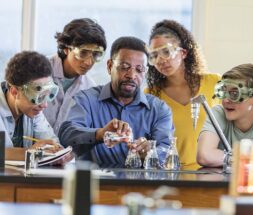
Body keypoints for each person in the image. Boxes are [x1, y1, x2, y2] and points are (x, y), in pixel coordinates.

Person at [59, 36, 174, 166]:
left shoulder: (159, 109)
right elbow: (66, 135)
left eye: (139, 69)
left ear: (145, 72)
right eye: (124, 67)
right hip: (95, 183)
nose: (131, 75)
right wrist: (100, 134)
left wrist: (150, 152)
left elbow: (167, 149)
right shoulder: (86, 100)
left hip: (142, 185)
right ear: (109, 66)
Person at [146, 20, 220, 169]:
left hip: (211, 173)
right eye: (154, 55)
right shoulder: (151, 95)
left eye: (166, 51)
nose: (161, 60)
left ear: (183, 52)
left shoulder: (215, 83)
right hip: (169, 174)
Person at [44, 18, 107, 135]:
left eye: (96, 54)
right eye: (83, 53)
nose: (89, 62)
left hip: (63, 152)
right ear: (66, 48)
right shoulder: (39, 71)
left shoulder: (89, 89)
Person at [0, 51, 62, 154]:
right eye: (38, 97)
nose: (44, 105)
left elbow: (52, 142)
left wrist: (56, 150)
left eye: (46, 96)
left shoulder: (32, 110)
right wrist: (30, 152)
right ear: (15, 91)